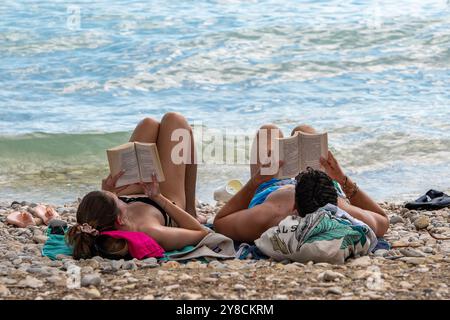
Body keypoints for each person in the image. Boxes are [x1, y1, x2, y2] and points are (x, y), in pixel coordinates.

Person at [66, 112, 209, 259]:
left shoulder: (101, 217)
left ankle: (114, 193)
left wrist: (109, 190)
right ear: (120, 219)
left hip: (139, 192)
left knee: (149, 124)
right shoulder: (149, 229)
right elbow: (201, 233)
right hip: (164, 199)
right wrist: (158, 197)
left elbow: (106, 207)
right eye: (116, 198)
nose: (116, 196)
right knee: (176, 123)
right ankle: (191, 211)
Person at [213, 124, 389, 243]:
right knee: (304, 130)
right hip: (317, 186)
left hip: (273, 185)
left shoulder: (270, 214)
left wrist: (255, 182)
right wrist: (343, 179)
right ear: (334, 200)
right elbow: (382, 219)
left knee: (268, 131)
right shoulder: (344, 210)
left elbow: (220, 222)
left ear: (294, 206)